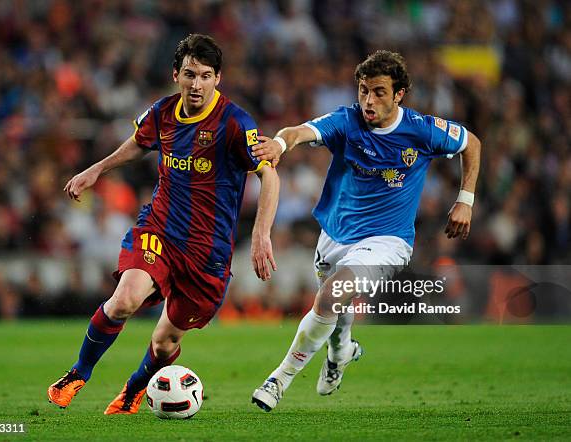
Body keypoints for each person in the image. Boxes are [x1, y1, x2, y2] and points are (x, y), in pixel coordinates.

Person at [47, 34, 279, 414]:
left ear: (218, 78)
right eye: (189, 74)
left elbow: (269, 176)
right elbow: (139, 141)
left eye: (205, 76)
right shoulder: (162, 112)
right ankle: (78, 373)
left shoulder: (236, 123)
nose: (196, 84)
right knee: (123, 301)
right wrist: (97, 169)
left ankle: (136, 387)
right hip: (160, 229)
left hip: (208, 253)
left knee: (163, 343)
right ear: (176, 75)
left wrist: (261, 234)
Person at [250, 50, 481, 411]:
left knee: (331, 296)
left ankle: (279, 380)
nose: (368, 101)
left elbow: (472, 144)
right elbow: (298, 132)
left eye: (378, 92)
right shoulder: (347, 121)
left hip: (388, 241)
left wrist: (465, 199)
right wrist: (279, 144)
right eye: (362, 91)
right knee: (335, 309)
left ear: (399, 93)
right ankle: (341, 352)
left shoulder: (422, 130)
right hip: (336, 233)